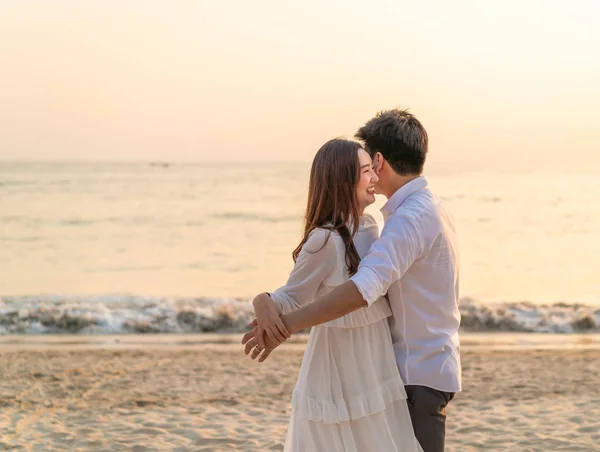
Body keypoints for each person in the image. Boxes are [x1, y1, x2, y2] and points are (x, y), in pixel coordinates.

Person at [244, 109, 461, 452]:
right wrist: (263, 300)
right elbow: (295, 290)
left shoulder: (401, 220)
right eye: (363, 172)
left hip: (408, 371)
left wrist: (285, 327)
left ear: (379, 160)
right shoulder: (406, 214)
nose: (372, 176)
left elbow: (363, 290)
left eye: (370, 167)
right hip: (379, 371)